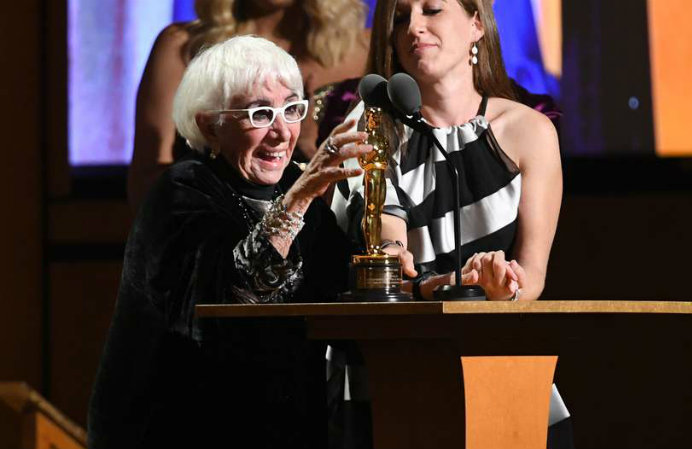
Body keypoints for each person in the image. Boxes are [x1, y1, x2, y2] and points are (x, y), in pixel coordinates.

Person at [88, 35, 371, 449]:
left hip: (279, 427)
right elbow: (233, 295)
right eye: (259, 114)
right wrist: (297, 203)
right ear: (209, 125)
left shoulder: (293, 185)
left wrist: (418, 284)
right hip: (179, 431)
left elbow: (338, 281)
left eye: (292, 109)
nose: (281, 132)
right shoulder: (181, 192)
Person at [330, 1, 573, 447]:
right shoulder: (370, 129)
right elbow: (388, 259)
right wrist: (435, 284)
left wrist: (505, 289)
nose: (415, 28)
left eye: (433, 10)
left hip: (497, 363)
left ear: (477, 25)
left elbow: (532, 276)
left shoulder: (531, 131)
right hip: (394, 371)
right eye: (401, 19)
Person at [128, 0, 369, 211]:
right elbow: (146, 185)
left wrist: (312, 150)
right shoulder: (182, 47)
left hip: (340, 245)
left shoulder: (367, 49)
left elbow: (390, 180)